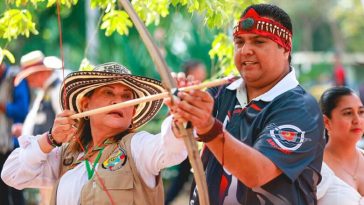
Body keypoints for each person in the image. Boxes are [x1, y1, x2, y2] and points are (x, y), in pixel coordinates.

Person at [168, 3, 326, 204]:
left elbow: (257, 173)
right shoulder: (222, 91)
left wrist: (207, 125)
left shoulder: (301, 107)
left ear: (286, 48)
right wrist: (182, 111)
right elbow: (181, 136)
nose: (245, 50)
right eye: (239, 42)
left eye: (259, 42)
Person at [1, 62, 187, 205]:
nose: (117, 101)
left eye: (126, 96)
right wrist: (50, 139)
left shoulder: (137, 147)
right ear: (85, 105)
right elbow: (12, 174)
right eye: (108, 92)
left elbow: (169, 147)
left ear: (133, 111)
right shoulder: (67, 155)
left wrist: (180, 118)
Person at [165, 60, 206, 205]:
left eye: (202, 72)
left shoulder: (204, 90)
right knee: (183, 178)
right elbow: (173, 117)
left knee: (192, 179)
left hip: (198, 142)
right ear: (191, 73)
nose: (202, 74)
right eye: (199, 72)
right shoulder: (182, 90)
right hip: (186, 141)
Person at [317, 87, 364, 204]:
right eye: (348, 113)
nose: (357, 120)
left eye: (361, 112)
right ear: (326, 122)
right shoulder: (314, 168)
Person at [0, 61, 29, 205]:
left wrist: (4, 107)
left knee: (16, 191)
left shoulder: (16, 78)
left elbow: (22, 109)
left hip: (14, 144)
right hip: (1, 144)